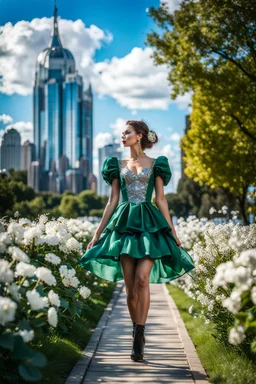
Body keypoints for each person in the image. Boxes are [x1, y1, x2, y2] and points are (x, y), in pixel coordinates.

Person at [78, 120, 196, 362]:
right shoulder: (116, 165)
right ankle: (137, 333)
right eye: (122, 133)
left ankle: (139, 334)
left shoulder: (156, 164)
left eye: (127, 133)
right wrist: (97, 233)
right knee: (131, 289)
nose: (123, 136)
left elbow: (161, 199)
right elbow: (112, 200)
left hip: (150, 226)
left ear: (140, 136)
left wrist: (173, 231)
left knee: (143, 279)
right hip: (123, 227)